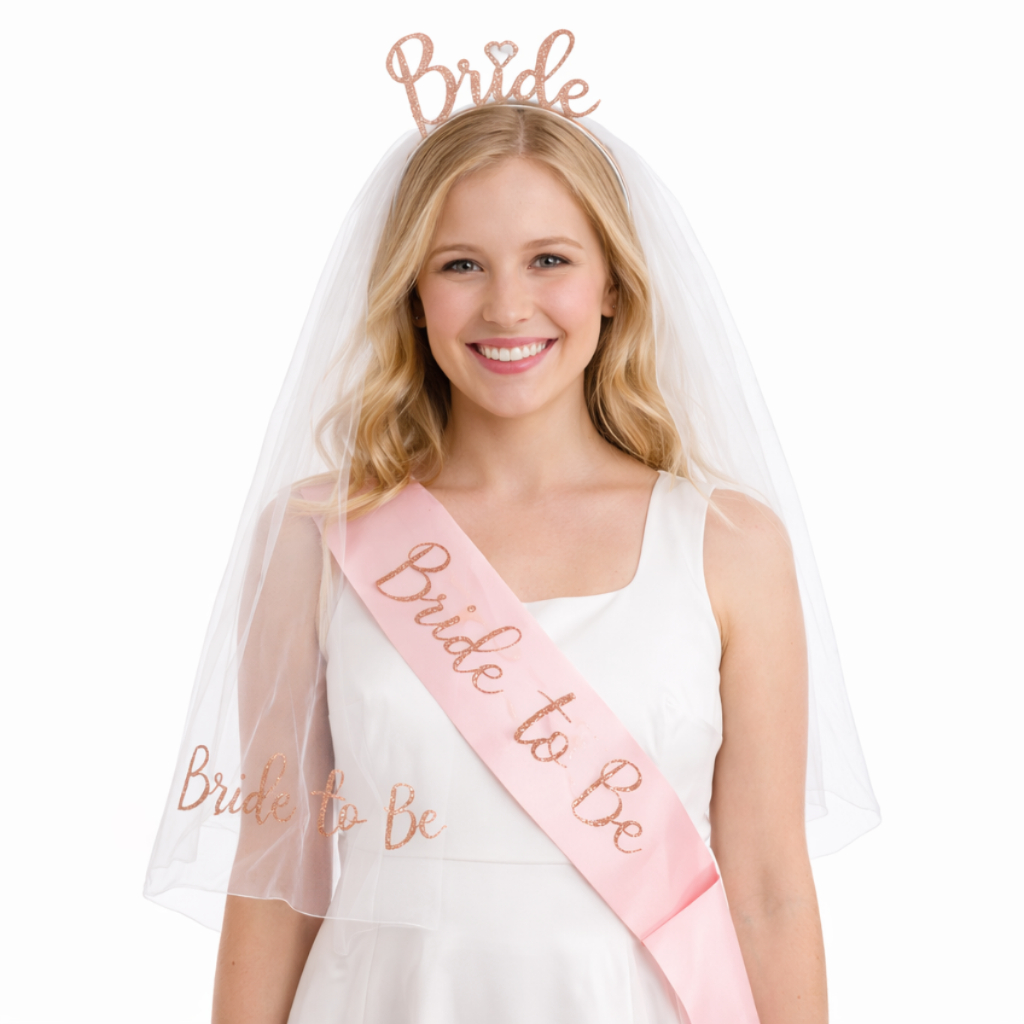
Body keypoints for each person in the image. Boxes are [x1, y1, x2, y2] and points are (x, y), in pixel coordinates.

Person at [146, 36, 879, 1024]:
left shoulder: (728, 543)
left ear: (612, 284)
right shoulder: (315, 538)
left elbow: (769, 889)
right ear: (413, 293)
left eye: (549, 260)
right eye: (461, 264)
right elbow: (276, 876)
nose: (506, 305)